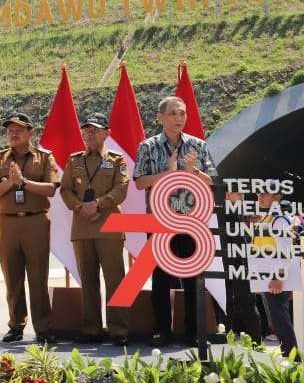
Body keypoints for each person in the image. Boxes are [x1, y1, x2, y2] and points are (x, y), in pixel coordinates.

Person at [133, 96, 217, 347]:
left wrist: (193, 172)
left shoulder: (198, 145)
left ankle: (193, 331)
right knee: (160, 278)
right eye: (173, 114)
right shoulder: (148, 146)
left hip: (191, 221)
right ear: (160, 118)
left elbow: (212, 180)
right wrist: (167, 174)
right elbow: (139, 181)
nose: (178, 118)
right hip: (159, 220)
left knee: (193, 278)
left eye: (182, 114)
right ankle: (161, 330)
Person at [59, 113, 131, 346]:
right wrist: (81, 207)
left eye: (95, 130)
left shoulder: (117, 160)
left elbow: (121, 189)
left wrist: (98, 204)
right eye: (86, 130)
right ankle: (91, 328)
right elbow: (65, 190)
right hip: (82, 226)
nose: (89, 134)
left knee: (115, 280)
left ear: (106, 133)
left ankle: (118, 330)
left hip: (109, 226)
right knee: (88, 281)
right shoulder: (74, 160)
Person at [0, 113, 59, 344]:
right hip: (7, 221)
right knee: (12, 276)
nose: (13, 134)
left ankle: (43, 327)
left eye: (19, 129)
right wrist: (10, 182)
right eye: (10, 130)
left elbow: (50, 188)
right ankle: (16, 325)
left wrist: (24, 182)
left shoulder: (44, 157)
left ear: (31, 132)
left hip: (35, 221)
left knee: (38, 276)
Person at [248, 193, 300, 356]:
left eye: (264, 194)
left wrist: (278, 278)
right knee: (277, 322)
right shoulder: (268, 218)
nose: (259, 197)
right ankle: (289, 357)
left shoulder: (279, 220)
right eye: (259, 193)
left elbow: (285, 250)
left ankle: (293, 360)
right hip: (266, 278)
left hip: (274, 279)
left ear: (276, 197)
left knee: (280, 321)